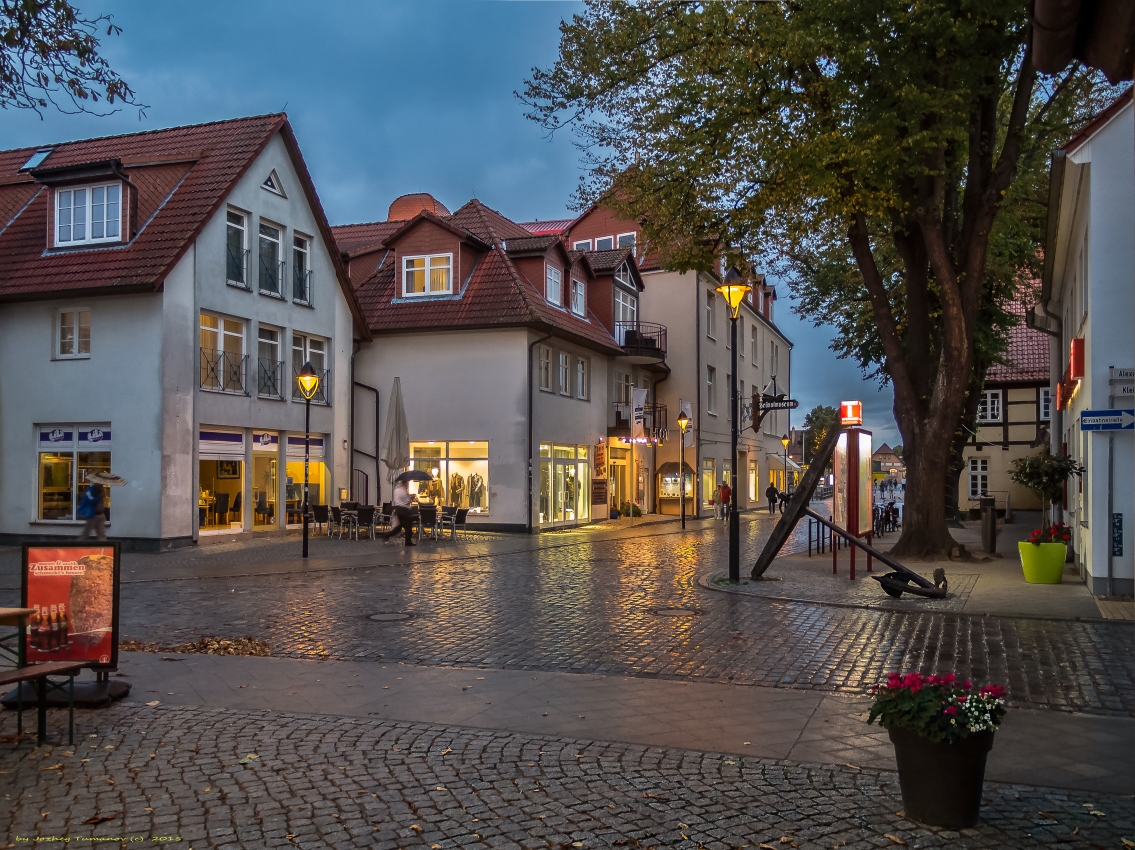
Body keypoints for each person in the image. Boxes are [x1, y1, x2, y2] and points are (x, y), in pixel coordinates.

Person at [380, 480, 416, 546]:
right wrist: (411, 498)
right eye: (408, 483)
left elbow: (396, 500)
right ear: (406, 484)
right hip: (404, 510)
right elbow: (407, 501)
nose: (408, 485)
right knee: (408, 526)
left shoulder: (396, 491)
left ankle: (387, 535)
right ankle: (408, 542)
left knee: (400, 526)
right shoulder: (404, 491)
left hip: (398, 509)